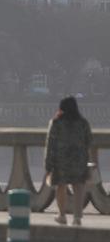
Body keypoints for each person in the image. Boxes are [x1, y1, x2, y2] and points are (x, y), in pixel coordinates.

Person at [45, 95, 94, 226]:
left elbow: (50, 144)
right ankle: (77, 217)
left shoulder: (56, 123)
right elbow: (89, 141)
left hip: (61, 161)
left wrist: (48, 164)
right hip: (79, 161)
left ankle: (62, 215)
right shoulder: (83, 123)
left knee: (61, 186)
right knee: (78, 187)